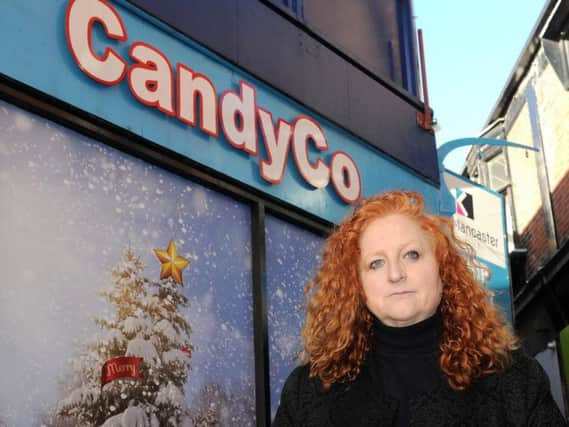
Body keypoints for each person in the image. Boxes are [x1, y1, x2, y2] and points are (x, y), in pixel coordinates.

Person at [272, 190, 567, 426]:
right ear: (357, 285)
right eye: (376, 263)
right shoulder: (309, 392)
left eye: (411, 255)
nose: (395, 274)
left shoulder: (514, 378)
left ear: (443, 269)